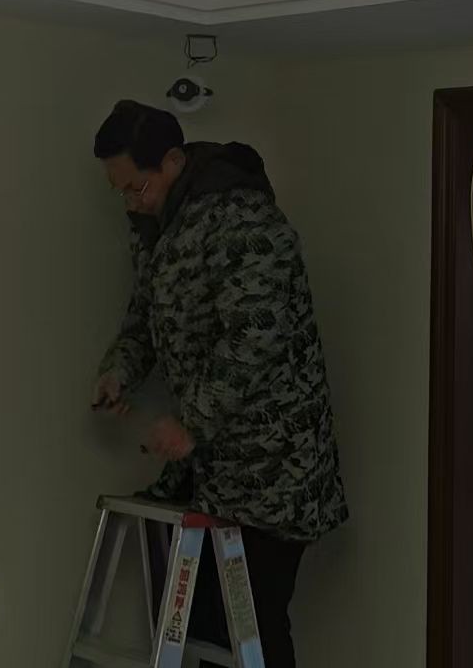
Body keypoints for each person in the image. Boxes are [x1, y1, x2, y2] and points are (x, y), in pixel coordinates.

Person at [91, 99, 347, 668]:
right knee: (200, 626)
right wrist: (119, 372)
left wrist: (190, 422)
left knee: (252, 626)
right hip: (212, 473)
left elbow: (254, 337)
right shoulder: (156, 230)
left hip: (275, 472)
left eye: (137, 187)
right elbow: (146, 318)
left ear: (173, 161)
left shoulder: (245, 222)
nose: (131, 201)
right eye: (121, 191)